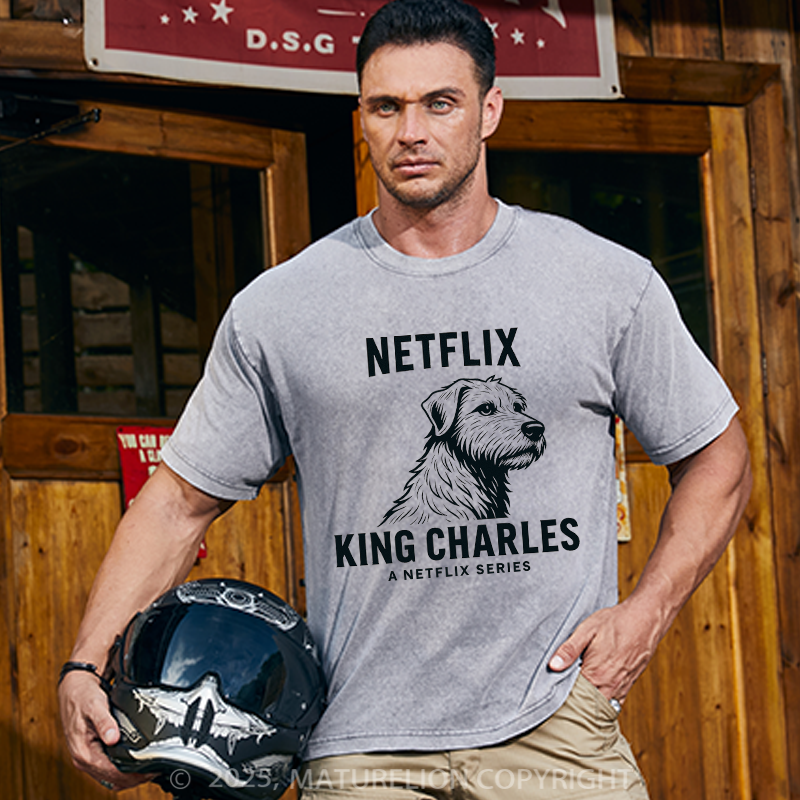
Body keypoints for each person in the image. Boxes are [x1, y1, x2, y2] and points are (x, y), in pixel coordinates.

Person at [59, 0, 752, 797]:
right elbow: (177, 503)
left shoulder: (601, 282)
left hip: (555, 730)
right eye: (386, 106)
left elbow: (718, 456)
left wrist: (649, 611)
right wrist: (86, 663)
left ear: (490, 110)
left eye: (440, 103)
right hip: (362, 747)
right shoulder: (284, 308)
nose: (411, 131)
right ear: (362, 117)